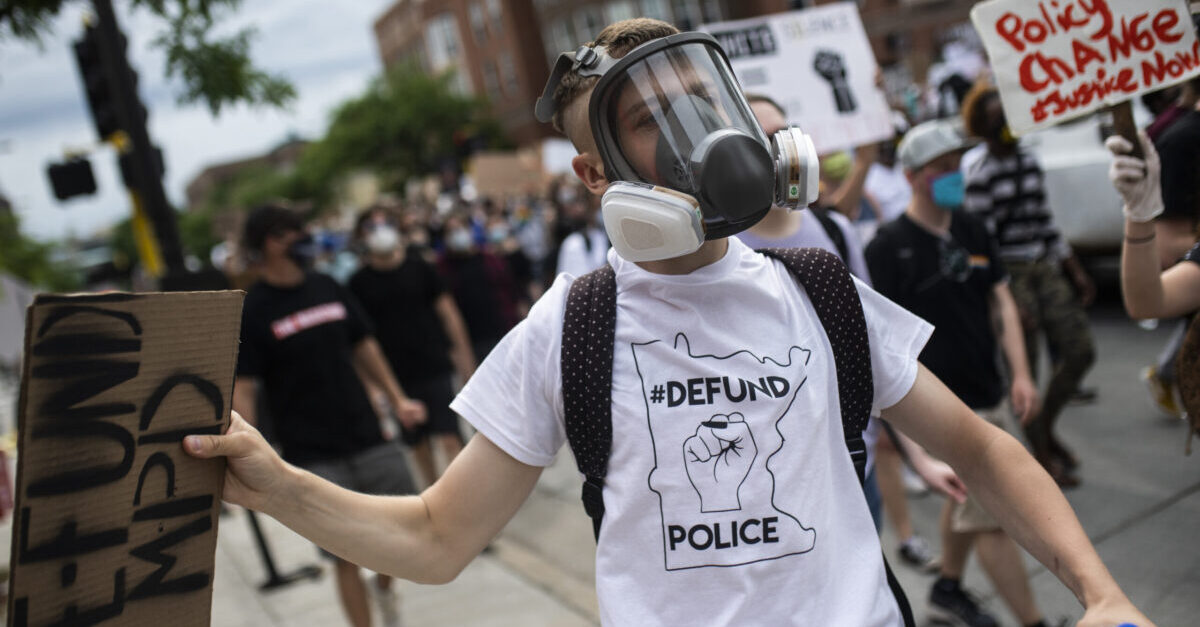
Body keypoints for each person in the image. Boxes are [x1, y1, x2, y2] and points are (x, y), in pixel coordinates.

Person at [187, 20, 1152, 627]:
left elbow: (983, 451)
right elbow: (438, 538)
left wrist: (1100, 594)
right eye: (649, 121)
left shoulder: (818, 288)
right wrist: (277, 488)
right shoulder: (571, 325)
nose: (692, 133)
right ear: (594, 175)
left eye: (698, 102)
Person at [741, 93, 953, 571]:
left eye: (784, 134)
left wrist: (918, 457)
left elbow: (877, 358)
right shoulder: (714, 252)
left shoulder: (834, 230)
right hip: (773, 487)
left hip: (858, 470)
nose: (780, 150)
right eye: (761, 139)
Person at [867, 120, 1055, 627]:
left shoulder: (971, 227)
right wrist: (913, 439)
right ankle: (1033, 622)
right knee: (993, 517)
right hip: (945, 411)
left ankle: (948, 587)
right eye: (940, 168)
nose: (953, 175)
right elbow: (884, 345)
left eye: (957, 165)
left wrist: (1020, 372)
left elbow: (1000, 299)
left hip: (989, 390)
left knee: (967, 502)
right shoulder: (888, 246)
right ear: (911, 177)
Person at [233, 205, 426, 627]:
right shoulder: (255, 309)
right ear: (270, 241)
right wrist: (245, 448)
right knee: (343, 558)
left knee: (397, 537)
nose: (305, 237)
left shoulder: (327, 286)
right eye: (293, 232)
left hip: (368, 435)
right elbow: (244, 385)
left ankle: (386, 590)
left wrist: (398, 399)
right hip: (312, 453)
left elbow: (364, 346)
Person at [960, 83, 1096, 487]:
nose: (1004, 122)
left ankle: (1046, 428)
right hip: (1010, 273)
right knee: (1027, 368)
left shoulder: (1028, 162)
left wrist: (1074, 268)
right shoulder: (981, 173)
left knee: (1079, 350)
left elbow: (1045, 220)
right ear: (982, 126)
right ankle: (1040, 454)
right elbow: (981, 244)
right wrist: (1004, 298)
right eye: (993, 115)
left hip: (1042, 264)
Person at [349, 208, 476, 487]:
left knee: (448, 435)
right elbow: (360, 344)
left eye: (386, 224)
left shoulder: (421, 268)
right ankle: (432, 496)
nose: (380, 230)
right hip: (395, 378)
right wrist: (373, 387)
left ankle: (462, 494)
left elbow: (449, 315)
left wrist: (464, 362)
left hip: (435, 367)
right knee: (418, 443)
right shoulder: (358, 284)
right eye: (371, 226)